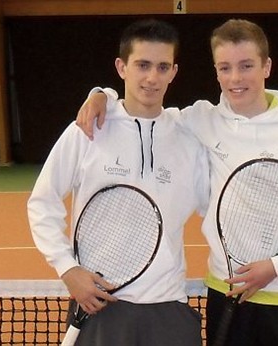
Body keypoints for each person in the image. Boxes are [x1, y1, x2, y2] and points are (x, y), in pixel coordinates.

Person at [75, 19, 278, 346]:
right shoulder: (201, 119)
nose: (235, 78)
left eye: (246, 66)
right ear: (216, 71)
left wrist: (277, 267)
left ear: (267, 66)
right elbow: (144, 111)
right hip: (224, 295)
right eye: (225, 68)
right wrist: (103, 95)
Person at [27, 19, 210, 346]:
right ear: (121, 67)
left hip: (168, 305)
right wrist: (68, 269)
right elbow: (43, 201)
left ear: (174, 72)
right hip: (100, 303)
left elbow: (213, 207)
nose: (152, 77)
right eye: (142, 65)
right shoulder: (88, 129)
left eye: (162, 66)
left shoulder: (189, 138)